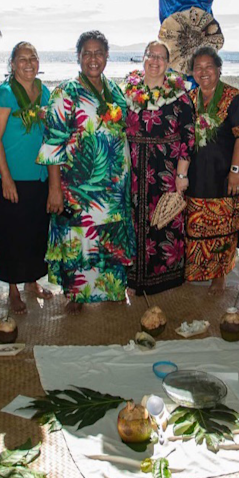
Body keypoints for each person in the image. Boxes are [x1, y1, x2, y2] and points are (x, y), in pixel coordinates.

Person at [38, 30, 135, 312]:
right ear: (78, 57)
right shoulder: (65, 92)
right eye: (87, 53)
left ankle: (112, 288)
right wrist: (54, 189)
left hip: (114, 189)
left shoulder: (115, 90)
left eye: (99, 53)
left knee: (110, 238)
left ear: (107, 56)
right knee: (80, 239)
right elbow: (53, 143)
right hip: (79, 188)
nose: (93, 59)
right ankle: (77, 294)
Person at [0, 42, 54, 314]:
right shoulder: (4, 94)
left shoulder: (44, 91)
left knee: (36, 232)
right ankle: (13, 289)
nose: (28, 63)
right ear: (12, 64)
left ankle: (32, 281)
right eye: (22, 59)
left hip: (39, 176)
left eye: (33, 57)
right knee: (11, 234)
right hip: (12, 177)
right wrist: (6, 178)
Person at [124, 40, 194, 295]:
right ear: (143, 58)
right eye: (150, 55)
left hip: (166, 169)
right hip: (133, 168)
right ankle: (134, 279)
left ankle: (165, 278)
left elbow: (188, 137)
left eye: (161, 57)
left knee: (165, 220)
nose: (155, 61)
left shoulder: (180, 96)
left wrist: (182, 174)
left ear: (168, 62)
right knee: (133, 221)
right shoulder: (127, 92)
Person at [185, 46, 239, 293]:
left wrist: (236, 171)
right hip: (195, 175)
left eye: (209, 67)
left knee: (223, 228)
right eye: (198, 68)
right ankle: (196, 271)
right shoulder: (189, 99)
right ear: (192, 72)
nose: (203, 72)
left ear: (219, 69)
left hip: (223, 174)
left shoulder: (235, 99)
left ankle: (219, 275)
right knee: (196, 226)